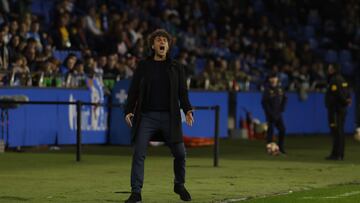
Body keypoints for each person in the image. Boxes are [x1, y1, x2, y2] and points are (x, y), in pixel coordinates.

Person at [124, 29, 194, 203]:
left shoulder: (177, 67)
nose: (162, 42)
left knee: (180, 153)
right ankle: (136, 192)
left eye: (165, 40)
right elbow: (133, 90)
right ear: (153, 45)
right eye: (158, 40)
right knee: (139, 152)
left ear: (168, 46)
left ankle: (179, 184)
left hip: (170, 118)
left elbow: (182, 93)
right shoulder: (143, 65)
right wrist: (128, 110)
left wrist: (187, 110)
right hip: (147, 116)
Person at [325, 64, 351, 160]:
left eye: (330, 68)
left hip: (336, 110)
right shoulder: (342, 79)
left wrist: (344, 100)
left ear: (334, 69)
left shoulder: (334, 80)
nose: (328, 69)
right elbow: (347, 91)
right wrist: (348, 99)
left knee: (337, 132)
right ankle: (337, 154)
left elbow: (338, 94)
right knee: (339, 132)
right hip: (341, 109)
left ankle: (337, 155)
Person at [261, 72, 287, 154]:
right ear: (269, 79)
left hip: (278, 113)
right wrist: (269, 113)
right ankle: (269, 149)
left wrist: (282, 108)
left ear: (277, 79)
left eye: (274, 78)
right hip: (270, 114)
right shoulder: (267, 90)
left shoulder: (280, 88)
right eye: (271, 78)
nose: (273, 79)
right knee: (270, 131)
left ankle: (280, 147)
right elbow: (264, 103)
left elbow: (285, 98)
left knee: (282, 129)